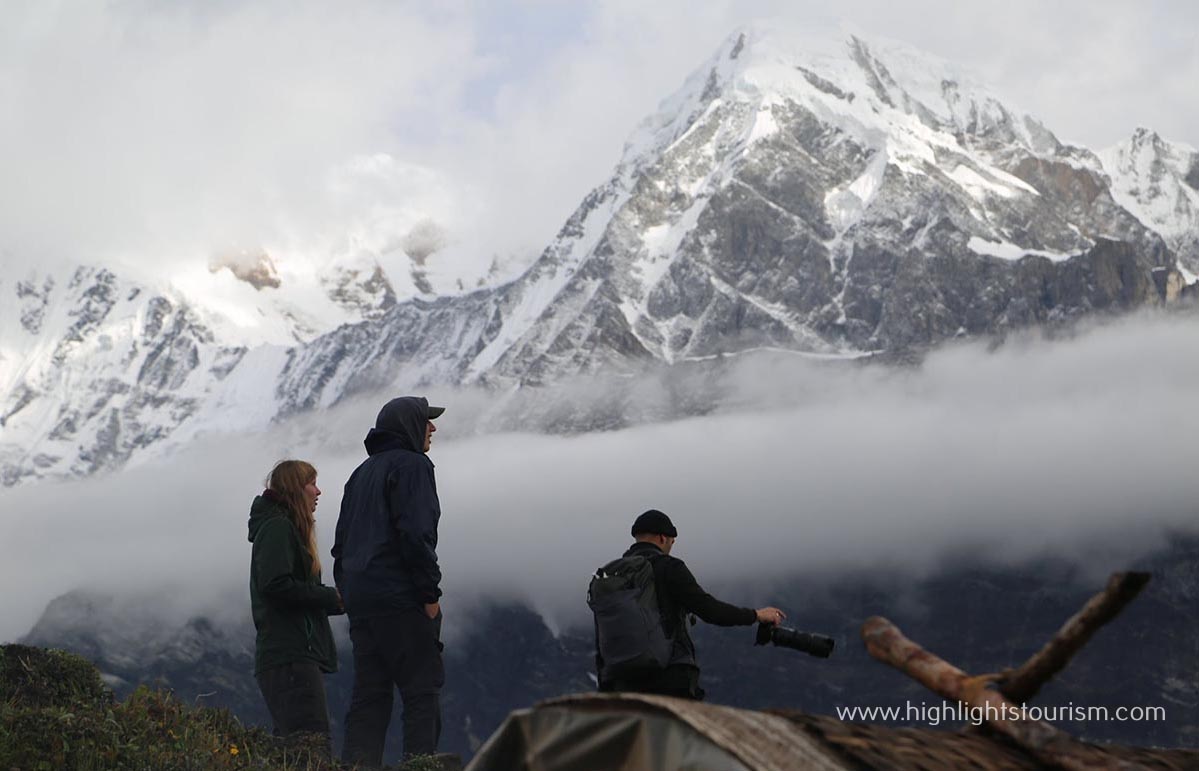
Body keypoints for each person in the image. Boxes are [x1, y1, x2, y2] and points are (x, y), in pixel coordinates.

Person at [333, 396, 447, 766]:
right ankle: (421, 766)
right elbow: (416, 533)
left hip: (363, 605)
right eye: (426, 421)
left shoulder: (360, 474)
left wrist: (349, 593)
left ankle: (356, 766)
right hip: (401, 599)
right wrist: (429, 594)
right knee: (421, 693)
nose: (432, 428)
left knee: (370, 697)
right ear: (409, 426)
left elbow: (341, 545)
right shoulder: (413, 465)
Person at [595, 509, 786, 700]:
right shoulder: (668, 567)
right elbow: (710, 610)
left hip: (619, 683)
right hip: (669, 678)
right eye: (671, 541)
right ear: (663, 538)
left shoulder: (611, 576)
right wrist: (756, 615)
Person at [247, 459, 343, 750]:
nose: (318, 491)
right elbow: (276, 586)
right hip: (290, 655)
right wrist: (331, 597)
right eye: (312, 484)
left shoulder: (280, 527)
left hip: (289, 655)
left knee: (296, 745)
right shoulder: (278, 528)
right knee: (310, 743)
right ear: (295, 490)